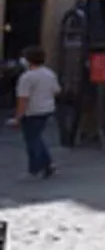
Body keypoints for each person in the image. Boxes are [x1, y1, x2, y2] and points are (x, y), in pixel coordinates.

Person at [9, 46, 59, 178]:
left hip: (32, 111)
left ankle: (39, 167)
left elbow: (23, 99)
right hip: (47, 109)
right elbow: (56, 90)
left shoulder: (27, 77)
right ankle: (43, 165)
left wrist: (17, 117)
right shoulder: (49, 73)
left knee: (32, 140)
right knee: (36, 137)